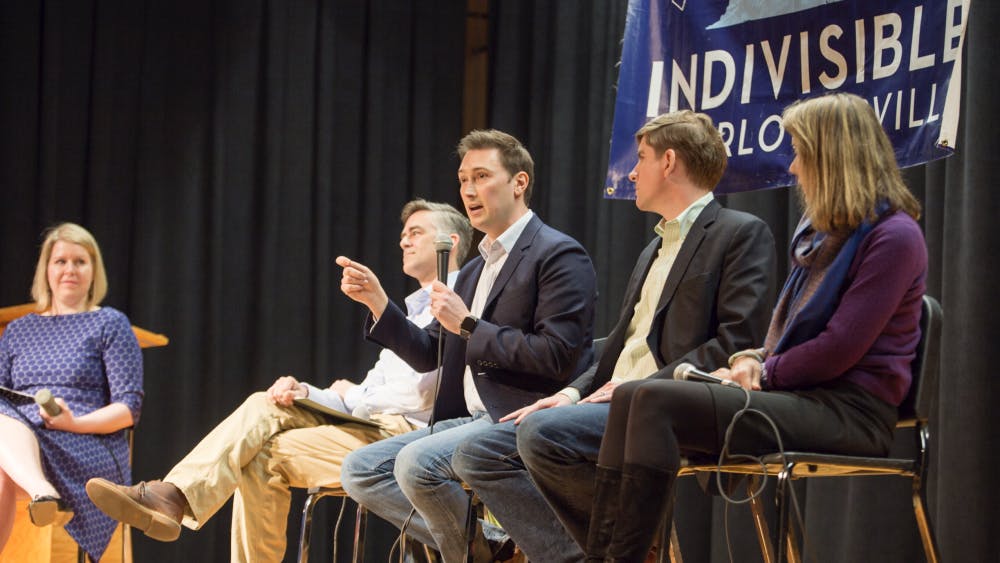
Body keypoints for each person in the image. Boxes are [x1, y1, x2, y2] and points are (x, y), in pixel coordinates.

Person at [586, 92, 928, 562]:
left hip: (851, 411)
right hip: (799, 397)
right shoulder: (823, 237)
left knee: (652, 398)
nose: (793, 168)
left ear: (834, 158)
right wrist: (751, 359)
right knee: (631, 395)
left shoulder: (895, 236)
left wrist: (763, 373)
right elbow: (785, 336)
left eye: (801, 153)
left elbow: (838, 348)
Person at [451, 111, 777, 561]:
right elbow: (619, 350)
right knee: (478, 452)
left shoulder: (740, 233)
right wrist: (569, 393)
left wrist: (645, 386)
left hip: (666, 404)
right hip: (613, 401)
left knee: (542, 435)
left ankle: (621, 550)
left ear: (668, 162)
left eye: (639, 159)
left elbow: (736, 340)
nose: (631, 172)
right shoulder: (654, 248)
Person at [85, 199, 472, 563]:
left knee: (262, 452)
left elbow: (424, 388)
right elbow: (366, 398)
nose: (404, 239)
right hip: (376, 428)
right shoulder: (411, 311)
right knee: (264, 417)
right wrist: (307, 392)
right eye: (404, 232)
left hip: (413, 438)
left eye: (416, 231)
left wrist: (351, 392)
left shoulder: (465, 296)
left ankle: (173, 496)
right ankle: (173, 495)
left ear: (449, 241)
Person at [336, 129, 597, 563]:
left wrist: (471, 325)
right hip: (469, 419)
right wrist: (378, 302)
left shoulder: (557, 254)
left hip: (522, 414)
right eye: (462, 180)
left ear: (519, 182)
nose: (469, 190)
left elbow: (557, 356)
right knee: (360, 470)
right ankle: (490, 548)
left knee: (416, 464)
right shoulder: (475, 270)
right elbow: (429, 354)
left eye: (481, 176)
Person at [0, 222, 143, 561]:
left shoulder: (110, 323)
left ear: (94, 271)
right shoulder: (19, 330)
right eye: (60, 261)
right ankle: (43, 492)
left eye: (80, 261)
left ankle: (43, 492)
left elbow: (128, 408)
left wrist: (72, 422)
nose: (70, 270)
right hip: (20, 436)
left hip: (88, 440)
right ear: (45, 270)